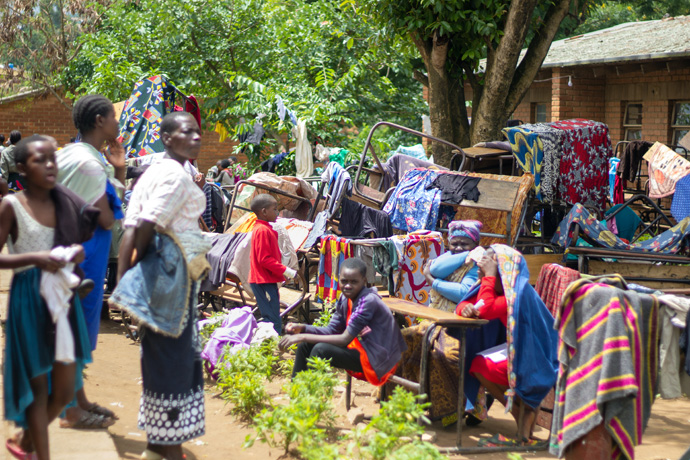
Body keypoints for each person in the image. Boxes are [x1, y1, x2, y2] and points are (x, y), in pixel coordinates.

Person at [114, 112, 211, 460]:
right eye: (187, 132)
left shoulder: (157, 170)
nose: (196, 137)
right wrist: (131, 279)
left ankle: (159, 448)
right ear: (167, 138)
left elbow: (132, 227)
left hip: (166, 274)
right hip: (170, 273)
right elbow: (144, 225)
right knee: (175, 360)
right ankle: (168, 449)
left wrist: (128, 283)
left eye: (198, 132)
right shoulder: (173, 176)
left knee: (162, 357)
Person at [1, 135, 95, 460]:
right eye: (40, 160)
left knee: (65, 390)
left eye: (52, 158)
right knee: (39, 390)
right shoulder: (11, 205)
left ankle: (25, 444)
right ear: (21, 169)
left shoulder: (64, 201)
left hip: (62, 299)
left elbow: (80, 237)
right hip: (29, 298)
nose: (50, 165)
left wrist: (77, 252)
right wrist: (37, 258)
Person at [57, 94, 124, 429]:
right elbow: (107, 219)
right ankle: (70, 410)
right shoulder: (91, 164)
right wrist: (120, 176)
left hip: (69, 251)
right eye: (113, 116)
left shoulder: (71, 153)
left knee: (72, 326)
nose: (117, 121)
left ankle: (79, 399)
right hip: (87, 254)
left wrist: (119, 169)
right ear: (99, 121)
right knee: (77, 328)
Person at [457, 245, 558, 447]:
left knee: (479, 364)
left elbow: (485, 309)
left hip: (538, 357)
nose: (480, 270)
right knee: (477, 363)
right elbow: (470, 303)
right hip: (522, 350)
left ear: (503, 271)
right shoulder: (504, 290)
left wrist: (489, 276)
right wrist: (464, 308)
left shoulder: (517, 296)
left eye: (487, 265)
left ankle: (523, 419)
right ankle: (520, 415)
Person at [395, 220, 485, 426]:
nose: (458, 248)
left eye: (465, 244)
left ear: (475, 244)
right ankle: (408, 402)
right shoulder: (453, 257)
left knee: (441, 354)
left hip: (460, 327)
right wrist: (463, 255)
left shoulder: (476, 264)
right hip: (434, 322)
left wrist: (433, 282)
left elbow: (463, 293)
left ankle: (451, 408)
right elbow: (435, 268)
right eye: (455, 244)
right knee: (404, 340)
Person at [281, 257, 406, 385]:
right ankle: (297, 393)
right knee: (305, 345)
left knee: (320, 350)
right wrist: (303, 328)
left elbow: (344, 339)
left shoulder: (368, 301)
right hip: (361, 348)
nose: (347, 286)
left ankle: (311, 397)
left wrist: (302, 336)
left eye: (354, 282)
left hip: (380, 358)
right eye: (344, 281)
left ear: (364, 281)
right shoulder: (346, 298)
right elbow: (332, 330)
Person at [249, 194, 297, 334]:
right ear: (264, 211)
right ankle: (273, 346)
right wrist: (288, 271)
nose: (277, 212)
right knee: (272, 317)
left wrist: (280, 273)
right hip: (263, 281)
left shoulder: (262, 228)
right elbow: (264, 259)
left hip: (265, 279)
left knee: (271, 314)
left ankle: (270, 344)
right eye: (275, 209)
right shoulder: (263, 230)